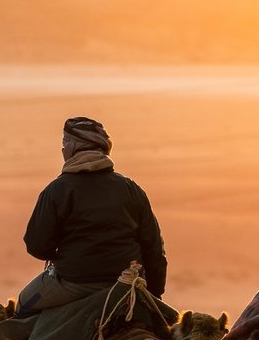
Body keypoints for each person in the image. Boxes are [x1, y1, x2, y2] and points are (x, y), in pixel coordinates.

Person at [14, 116, 167, 318]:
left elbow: (37, 246)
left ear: (73, 147)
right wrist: (154, 293)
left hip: (75, 283)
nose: (62, 150)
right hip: (128, 283)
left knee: (24, 305)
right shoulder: (131, 189)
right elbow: (153, 248)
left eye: (64, 143)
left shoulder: (57, 190)